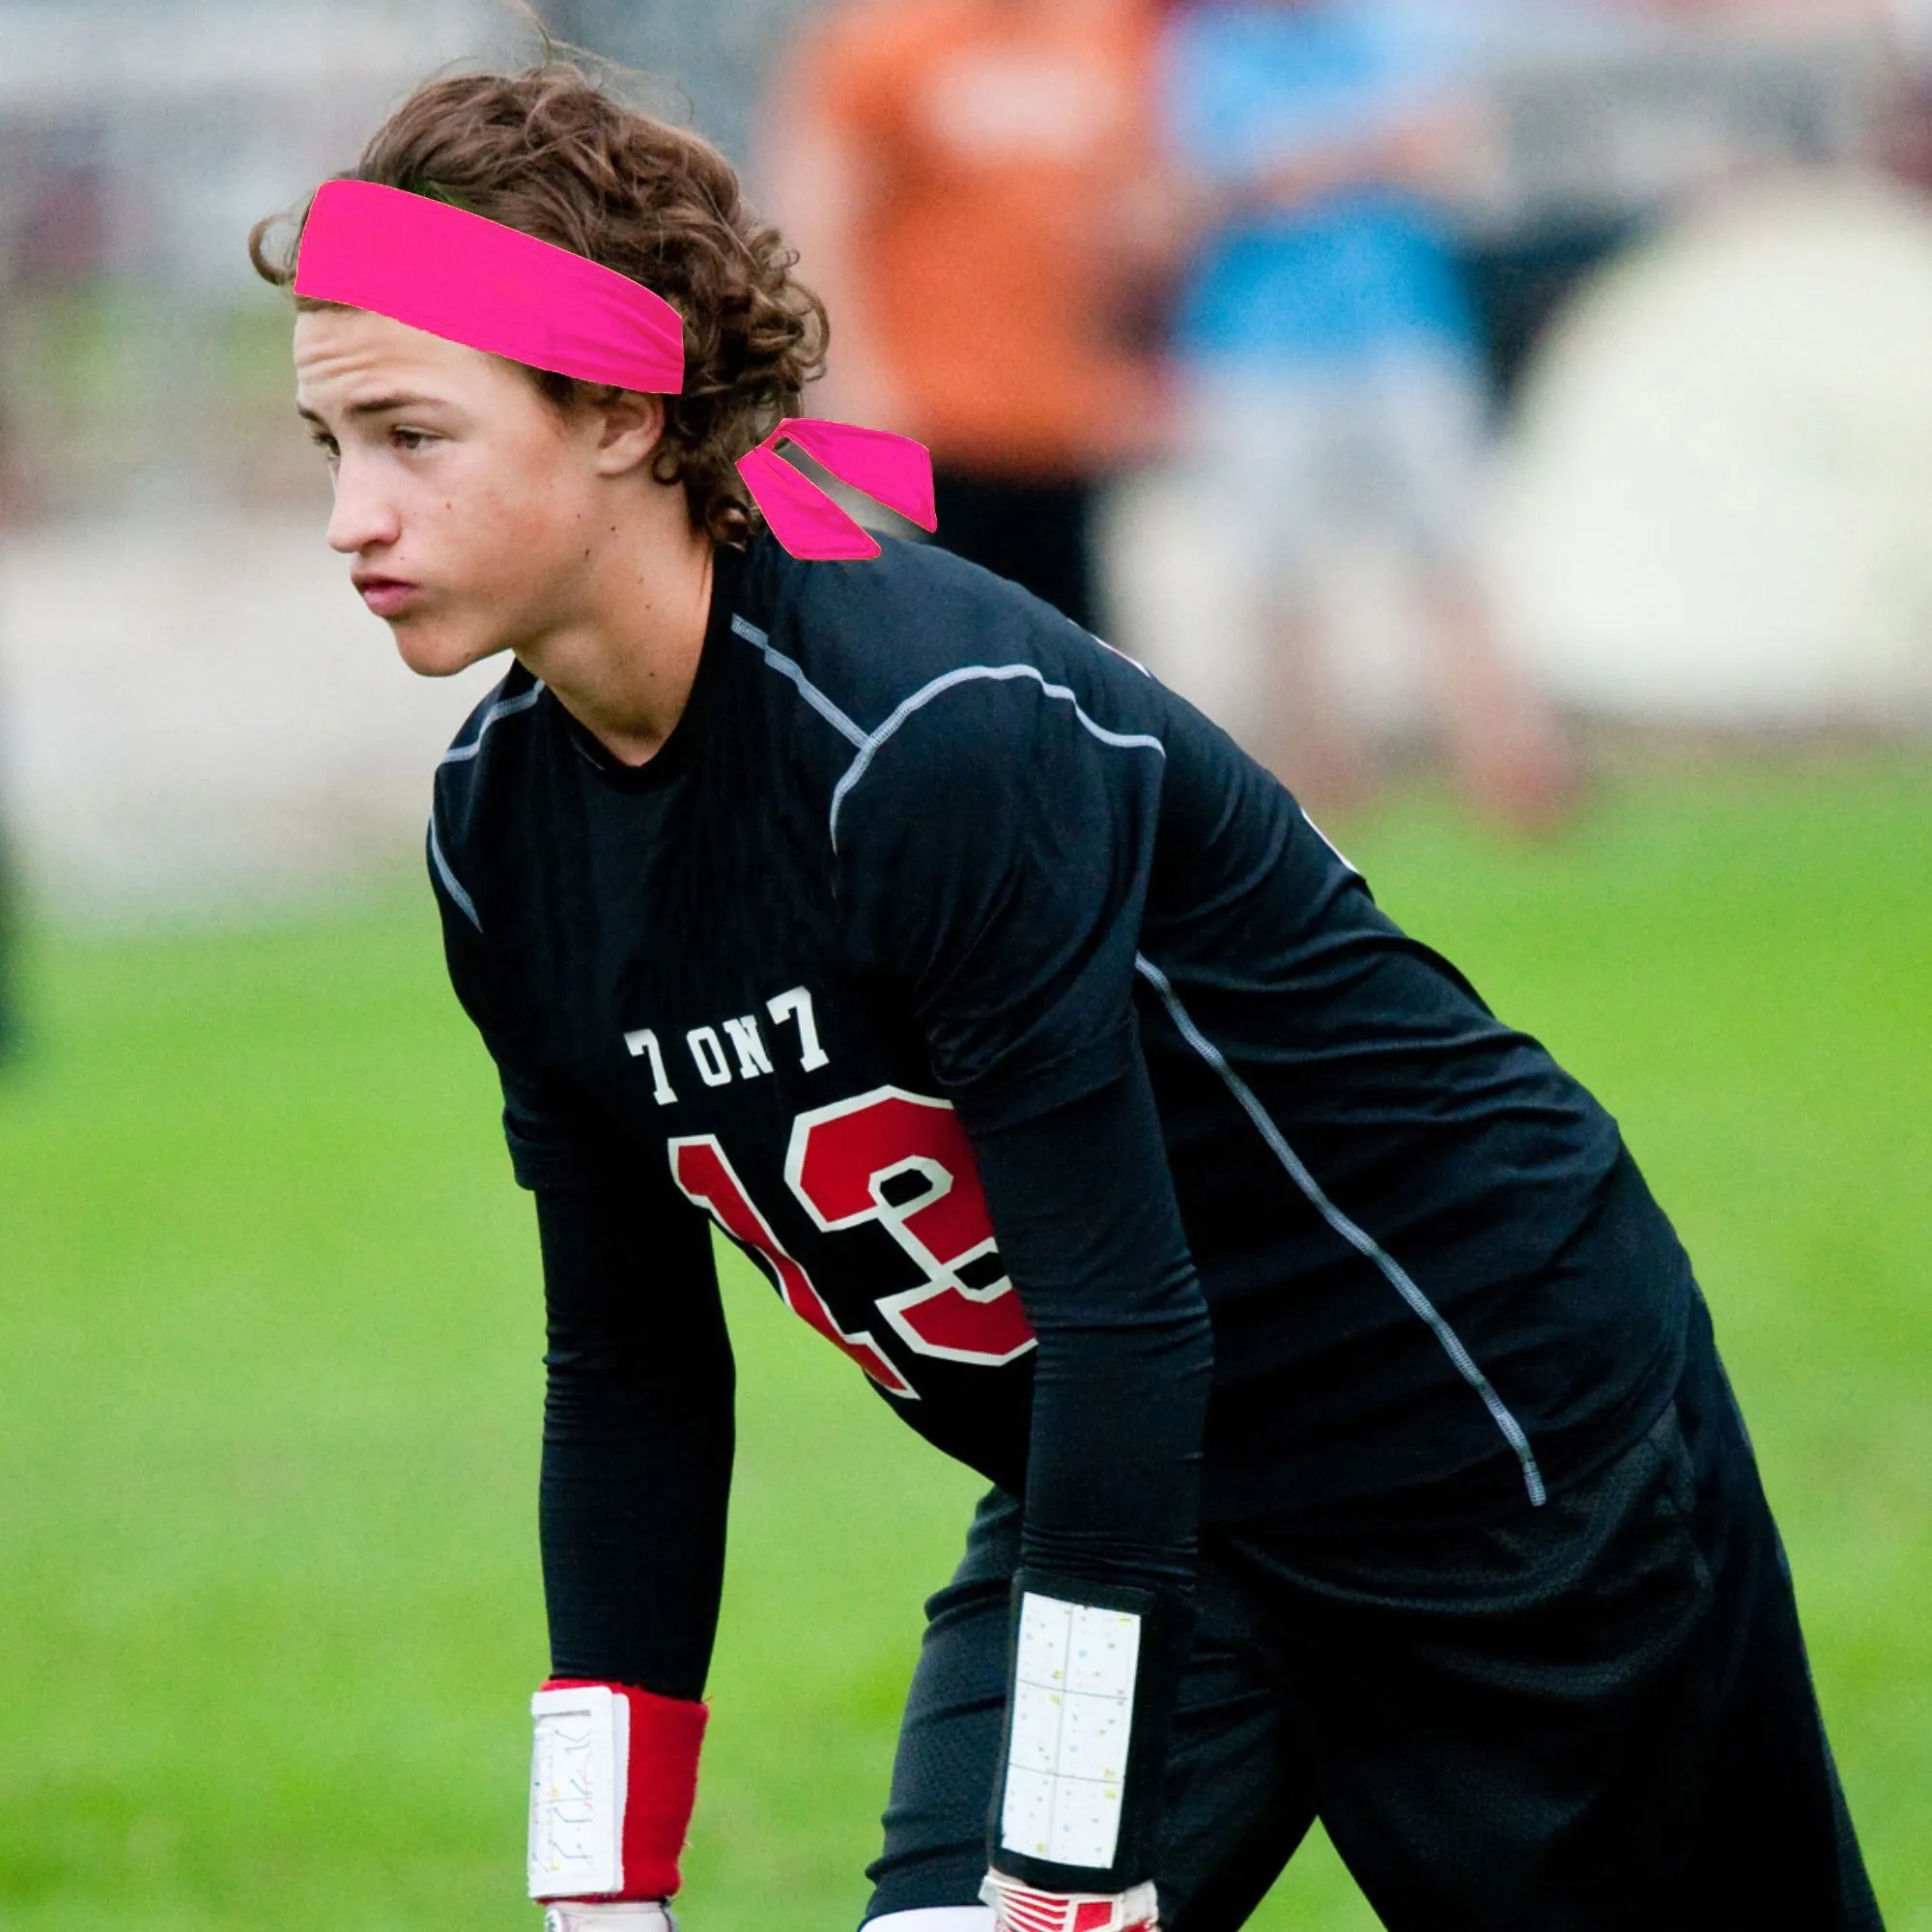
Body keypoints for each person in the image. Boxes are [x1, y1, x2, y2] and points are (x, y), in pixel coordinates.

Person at [252, 54, 1883, 1932]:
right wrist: (595, 1891)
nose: (349, 517)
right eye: (332, 448)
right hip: (1122, 1494)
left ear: (620, 411)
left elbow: (1123, 1314)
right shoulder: (496, 826)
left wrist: (1054, 1870)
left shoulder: (921, 733)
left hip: (1475, 1432)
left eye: (412, 436)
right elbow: (627, 1372)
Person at [1150, 0, 1577, 829]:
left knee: (1454, 559)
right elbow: (1207, 188)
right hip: (1257, 348)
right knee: (1277, 578)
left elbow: (1447, 154)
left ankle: (1509, 770)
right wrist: (1366, 150)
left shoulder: (1396, 34)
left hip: (1406, 332)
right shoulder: (1209, 51)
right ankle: (1317, 781)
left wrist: (1301, 164)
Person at [753, 0, 1173, 633]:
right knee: (946, 648)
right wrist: (850, 374)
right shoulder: (889, 42)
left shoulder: (1103, 36)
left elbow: (1145, 206)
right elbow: (818, 217)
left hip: (1064, 427)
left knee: (1074, 660)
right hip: (936, 423)